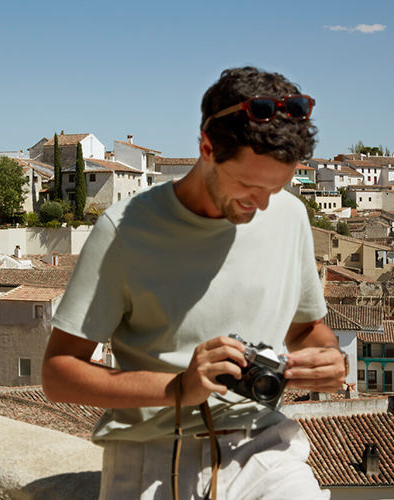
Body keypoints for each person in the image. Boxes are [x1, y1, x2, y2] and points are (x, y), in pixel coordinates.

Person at [42, 67, 347, 500]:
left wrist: (329, 357)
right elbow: (58, 374)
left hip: (264, 447)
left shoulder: (291, 214)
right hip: (152, 456)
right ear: (207, 148)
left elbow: (305, 329)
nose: (263, 204)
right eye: (249, 185)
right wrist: (178, 388)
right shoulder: (124, 230)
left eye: (277, 188)